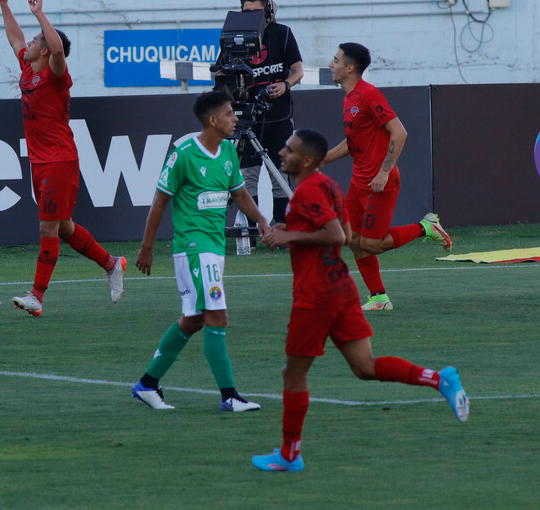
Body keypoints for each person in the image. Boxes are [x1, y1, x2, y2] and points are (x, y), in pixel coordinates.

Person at [253, 129, 469, 473]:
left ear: (307, 160)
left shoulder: (308, 190)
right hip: (341, 287)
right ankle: (439, 379)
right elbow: (347, 234)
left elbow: (337, 236)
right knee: (364, 367)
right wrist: (290, 231)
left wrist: (288, 235)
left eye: (289, 150)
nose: (282, 153)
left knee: (293, 374)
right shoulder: (328, 185)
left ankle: (290, 455)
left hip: (316, 295)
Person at [131, 90, 270, 412]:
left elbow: (240, 194)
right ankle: (229, 396)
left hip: (214, 247)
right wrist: (146, 248)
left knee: (193, 320)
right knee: (217, 315)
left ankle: (147, 384)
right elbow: (160, 201)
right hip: (194, 248)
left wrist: (262, 220)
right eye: (229, 113)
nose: (235, 118)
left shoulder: (229, 152)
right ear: (212, 119)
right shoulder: (183, 155)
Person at [0, 0, 125, 317]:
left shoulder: (55, 73)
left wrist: (40, 14)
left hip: (59, 159)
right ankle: (111, 264)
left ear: (43, 49)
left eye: (36, 39)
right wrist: (4, 3)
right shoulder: (28, 69)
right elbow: (15, 38)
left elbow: (56, 50)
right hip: (39, 161)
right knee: (64, 227)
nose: (29, 41)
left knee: (47, 227)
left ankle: (37, 295)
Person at [322, 42, 451, 311]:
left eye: (335, 60)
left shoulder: (369, 94)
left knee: (372, 244)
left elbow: (399, 132)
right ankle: (379, 298)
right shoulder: (348, 98)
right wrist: (324, 159)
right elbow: (353, 142)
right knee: (353, 239)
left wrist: (383, 171)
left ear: (350, 68)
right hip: (359, 182)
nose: (330, 65)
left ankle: (426, 227)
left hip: (380, 183)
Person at [222, 0, 303, 233]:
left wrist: (285, 84)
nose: (251, 17)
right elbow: (222, 73)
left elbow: (298, 70)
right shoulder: (231, 35)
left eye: (256, 12)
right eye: (246, 12)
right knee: (247, 178)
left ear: (267, 12)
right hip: (246, 118)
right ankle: (251, 233)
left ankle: (282, 230)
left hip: (279, 117)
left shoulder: (282, 33)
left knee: (280, 176)